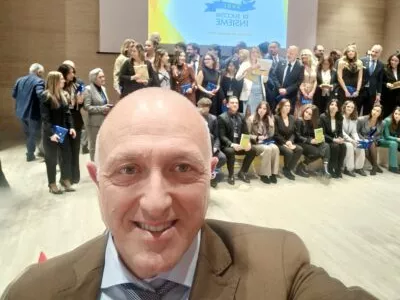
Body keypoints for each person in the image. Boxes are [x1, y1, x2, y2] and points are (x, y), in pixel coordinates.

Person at [2, 88, 377, 300]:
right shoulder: (32, 294)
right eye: (128, 170)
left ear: (210, 174)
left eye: (182, 168)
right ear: (97, 180)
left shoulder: (281, 268)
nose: (155, 204)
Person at [40, 71, 76, 194]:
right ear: (55, 81)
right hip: (50, 132)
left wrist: (71, 127)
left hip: (62, 131)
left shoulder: (63, 94)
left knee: (66, 156)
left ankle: (65, 179)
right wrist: (51, 134)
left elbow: (67, 114)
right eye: (61, 79)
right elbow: (45, 118)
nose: (64, 81)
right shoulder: (46, 96)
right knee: (51, 159)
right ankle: (52, 184)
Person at [218, 96, 257, 184]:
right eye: (232, 103)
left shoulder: (242, 116)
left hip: (240, 144)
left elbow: (246, 132)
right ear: (227, 105)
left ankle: (242, 172)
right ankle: (231, 175)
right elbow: (222, 136)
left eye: (236, 103)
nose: (235, 104)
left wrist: (247, 143)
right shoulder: (222, 117)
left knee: (252, 150)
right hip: (227, 145)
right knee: (231, 151)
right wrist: (232, 144)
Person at [12, 63, 45, 161]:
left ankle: (30, 154)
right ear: (39, 72)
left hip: (21, 112)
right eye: (42, 72)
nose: (42, 74)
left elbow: (14, 94)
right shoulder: (39, 81)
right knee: (37, 134)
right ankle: (39, 153)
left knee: (28, 134)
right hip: (33, 113)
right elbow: (41, 95)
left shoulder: (19, 80)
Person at [58, 63, 84, 184]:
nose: (73, 75)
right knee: (64, 152)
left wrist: (80, 100)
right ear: (64, 74)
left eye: (74, 72)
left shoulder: (77, 85)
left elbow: (80, 104)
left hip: (76, 119)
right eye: (70, 73)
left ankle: (75, 177)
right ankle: (65, 177)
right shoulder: (59, 87)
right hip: (62, 121)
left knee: (75, 149)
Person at [247, 101, 280, 184]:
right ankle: (264, 174)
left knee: (275, 148)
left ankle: (273, 173)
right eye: (260, 108)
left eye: (264, 109)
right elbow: (247, 134)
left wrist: (272, 125)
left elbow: (271, 134)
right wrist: (257, 137)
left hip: (266, 142)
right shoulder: (251, 119)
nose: (262, 110)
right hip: (255, 143)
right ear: (257, 108)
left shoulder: (268, 119)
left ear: (267, 110)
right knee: (268, 149)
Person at [197, 97, 226, 188]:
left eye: (207, 106)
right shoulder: (193, 117)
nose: (205, 109)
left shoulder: (213, 119)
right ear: (198, 106)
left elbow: (217, 137)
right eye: (203, 106)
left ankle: (211, 174)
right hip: (198, 146)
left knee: (222, 157)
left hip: (211, 146)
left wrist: (215, 147)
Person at [295, 104, 331, 178]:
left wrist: (320, 138)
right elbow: (298, 137)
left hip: (309, 142)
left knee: (326, 145)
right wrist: (310, 141)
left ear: (313, 116)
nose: (306, 115)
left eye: (310, 114)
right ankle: (302, 165)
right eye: (306, 112)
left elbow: (317, 135)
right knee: (318, 152)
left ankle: (325, 169)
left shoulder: (314, 122)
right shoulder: (299, 120)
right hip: (300, 142)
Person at [83, 68, 111, 162]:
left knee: (104, 145)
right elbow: (87, 107)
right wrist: (102, 108)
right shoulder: (88, 89)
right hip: (94, 123)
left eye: (103, 76)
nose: (103, 78)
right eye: (100, 77)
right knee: (94, 146)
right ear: (94, 78)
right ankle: (94, 166)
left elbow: (104, 102)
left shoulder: (103, 88)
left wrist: (108, 107)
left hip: (104, 121)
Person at [274, 98, 303, 180]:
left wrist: (290, 141)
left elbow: (294, 133)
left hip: (289, 142)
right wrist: (285, 142)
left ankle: (288, 169)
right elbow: (275, 134)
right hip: (278, 142)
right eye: (285, 106)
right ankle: (286, 169)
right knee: (289, 152)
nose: (287, 107)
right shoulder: (276, 118)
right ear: (281, 107)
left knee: (299, 149)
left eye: (289, 106)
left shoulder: (292, 118)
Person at [270, 46, 304, 114]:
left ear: (296, 55)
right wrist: (279, 88)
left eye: (291, 53)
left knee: (288, 115)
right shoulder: (281, 62)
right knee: (276, 114)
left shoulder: (300, 66)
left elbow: (298, 82)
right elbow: (274, 75)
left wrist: (287, 90)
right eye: (288, 52)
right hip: (277, 94)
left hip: (290, 96)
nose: (288, 55)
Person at [319, 99, 347, 179]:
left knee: (343, 146)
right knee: (335, 146)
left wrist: (340, 138)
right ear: (329, 106)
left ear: (338, 108)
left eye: (336, 105)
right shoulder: (323, 116)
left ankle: (339, 169)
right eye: (332, 104)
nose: (333, 107)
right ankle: (331, 168)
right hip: (326, 139)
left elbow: (340, 131)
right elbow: (322, 134)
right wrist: (334, 140)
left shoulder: (340, 118)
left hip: (335, 139)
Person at [236, 47, 266, 116]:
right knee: (249, 115)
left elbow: (265, 80)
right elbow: (237, 77)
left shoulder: (262, 64)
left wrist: (266, 73)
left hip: (260, 93)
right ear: (250, 54)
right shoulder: (245, 64)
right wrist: (251, 68)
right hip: (249, 94)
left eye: (257, 52)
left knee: (259, 115)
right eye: (253, 52)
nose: (255, 54)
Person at [357, 104, 384, 176]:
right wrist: (363, 139)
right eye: (374, 110)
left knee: (371, 143)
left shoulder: (381, 123)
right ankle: (375, 165)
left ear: (380, 113)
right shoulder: (361, 119)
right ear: (371, 110)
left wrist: (373, 139)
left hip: (373, 140)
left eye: (378, 111)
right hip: (361, 139)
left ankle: (374, 167)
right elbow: (357, 132)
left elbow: (380, 135)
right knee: (367, 147)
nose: (375, 112)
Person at [341, 101, 366, 177]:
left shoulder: (354, 119)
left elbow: (354, 132)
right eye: (348, 106)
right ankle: (348, 169)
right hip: (340, 138)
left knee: (360, 145)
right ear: (344, 107)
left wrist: (357, 140)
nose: (350, 108)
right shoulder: (340, 117)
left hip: (350, 138)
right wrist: (351, 140)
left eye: (352, 107)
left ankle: (359, 168)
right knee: (349, 146)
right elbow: (341, 132)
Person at [359, 45, 384, 115]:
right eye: (372, 51)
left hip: (371, 93)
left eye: (376, 52)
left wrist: (378, 94)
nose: (373, 53)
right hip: (360, 90)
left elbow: (380, 80)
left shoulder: (381, 65)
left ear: (380, 53)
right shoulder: (362, 60)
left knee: (367, 112)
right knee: (356, 109)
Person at [295, 49, 317, 117]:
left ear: (310, 56)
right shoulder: (299, 66)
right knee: (300, 109)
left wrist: (312, 92)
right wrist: (304, 92)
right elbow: (299, 80)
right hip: (301, 91)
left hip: (311, 92)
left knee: (308, 108)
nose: (303, 56)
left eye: (305, 55)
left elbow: (315, 81)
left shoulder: (315, 66)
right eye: (302, 55)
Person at [381, 106, 400, 173]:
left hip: (393, 139)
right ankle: (392, 167)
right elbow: (386, 136)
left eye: (399, 114)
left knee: (395, 142)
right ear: (393, 113)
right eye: (395, 113)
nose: (397, 116)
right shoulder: (387, 121)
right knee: (394, 143)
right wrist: (397, 139)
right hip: (382, 139)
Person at [381, 53, 400, 118]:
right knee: (384, 115)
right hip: (387, 97)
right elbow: (380, 81)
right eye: (392, 60)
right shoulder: (385, 69)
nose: (393, 62)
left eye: (396, 61)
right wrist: (386, 84)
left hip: (398, 98)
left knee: (396, 117)